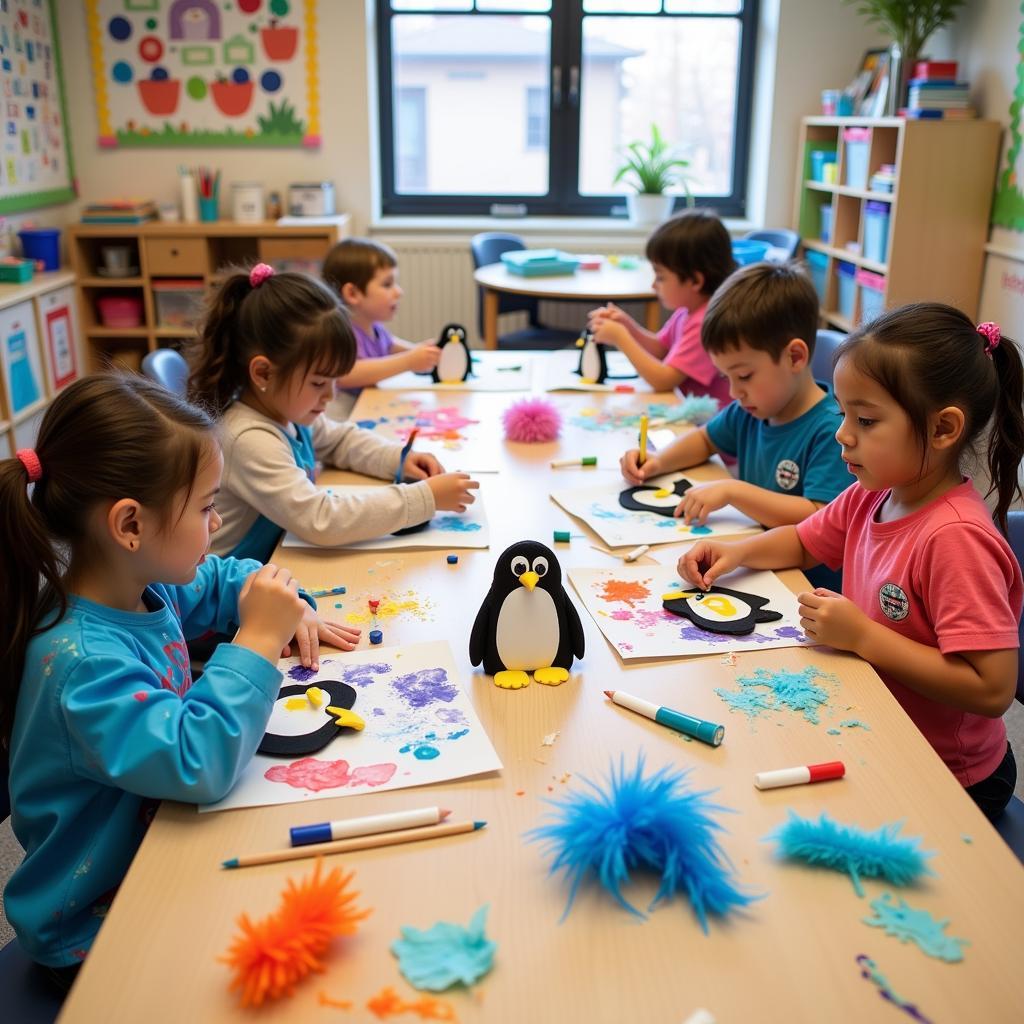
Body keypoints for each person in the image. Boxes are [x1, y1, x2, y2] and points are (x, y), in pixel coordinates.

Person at [0, 374, 350, 984]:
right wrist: (261, 638)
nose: (216, 524)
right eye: (208, 506)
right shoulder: (82, 665)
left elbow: (224, 579)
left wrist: (288, 604)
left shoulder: (144, 584)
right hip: (95, 926)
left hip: (165, 851)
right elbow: (198, 760)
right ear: (130, 524)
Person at [677, 305, 1024, 819]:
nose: (843, 433)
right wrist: (737, 552)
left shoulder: (954, 539)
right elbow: (803, 541)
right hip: (875, 719)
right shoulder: (875, 492)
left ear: (943, 429)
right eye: (842, 414)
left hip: (950, 773)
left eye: (865, 420)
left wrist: (863, 636)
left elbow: (992, 688)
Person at [187, 264, 477, 563]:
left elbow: (339, 440)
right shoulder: (248, 438)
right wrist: (424, 498)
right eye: (318, 383)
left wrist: (398, 459)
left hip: (273, 560)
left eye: (335, 381)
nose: (330, 395)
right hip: (222, 596)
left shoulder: (285, 411)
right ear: (263, 373)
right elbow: (321, 519)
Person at [620, 261, 848, 588]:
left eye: (743, 376)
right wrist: (657, 461)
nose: (733, 391)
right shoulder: (751, 407)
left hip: (804, 588)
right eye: (726, 377)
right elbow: (705, 440)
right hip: (754, 566)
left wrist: (733, 490)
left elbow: (815, 517)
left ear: (795, 357)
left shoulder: (833, 431)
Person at [587, 210, 735, 399]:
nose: (653, 285)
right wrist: (628, 326)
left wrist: (621, 338)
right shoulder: (687, 311)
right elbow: (661, 349)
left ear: (695, 281)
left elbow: (663, 380)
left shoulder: (706, 323)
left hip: (707, 421)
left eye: (661, 277)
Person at [322, 237, 442, 408]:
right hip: (344, 413)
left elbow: (390, 345)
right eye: (387, 284)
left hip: (366, 405)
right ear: (353, 293)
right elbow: (344, 374)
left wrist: (423, 352)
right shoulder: (342, 333)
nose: (398, 292)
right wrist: (409, 361)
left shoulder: (373, 326)